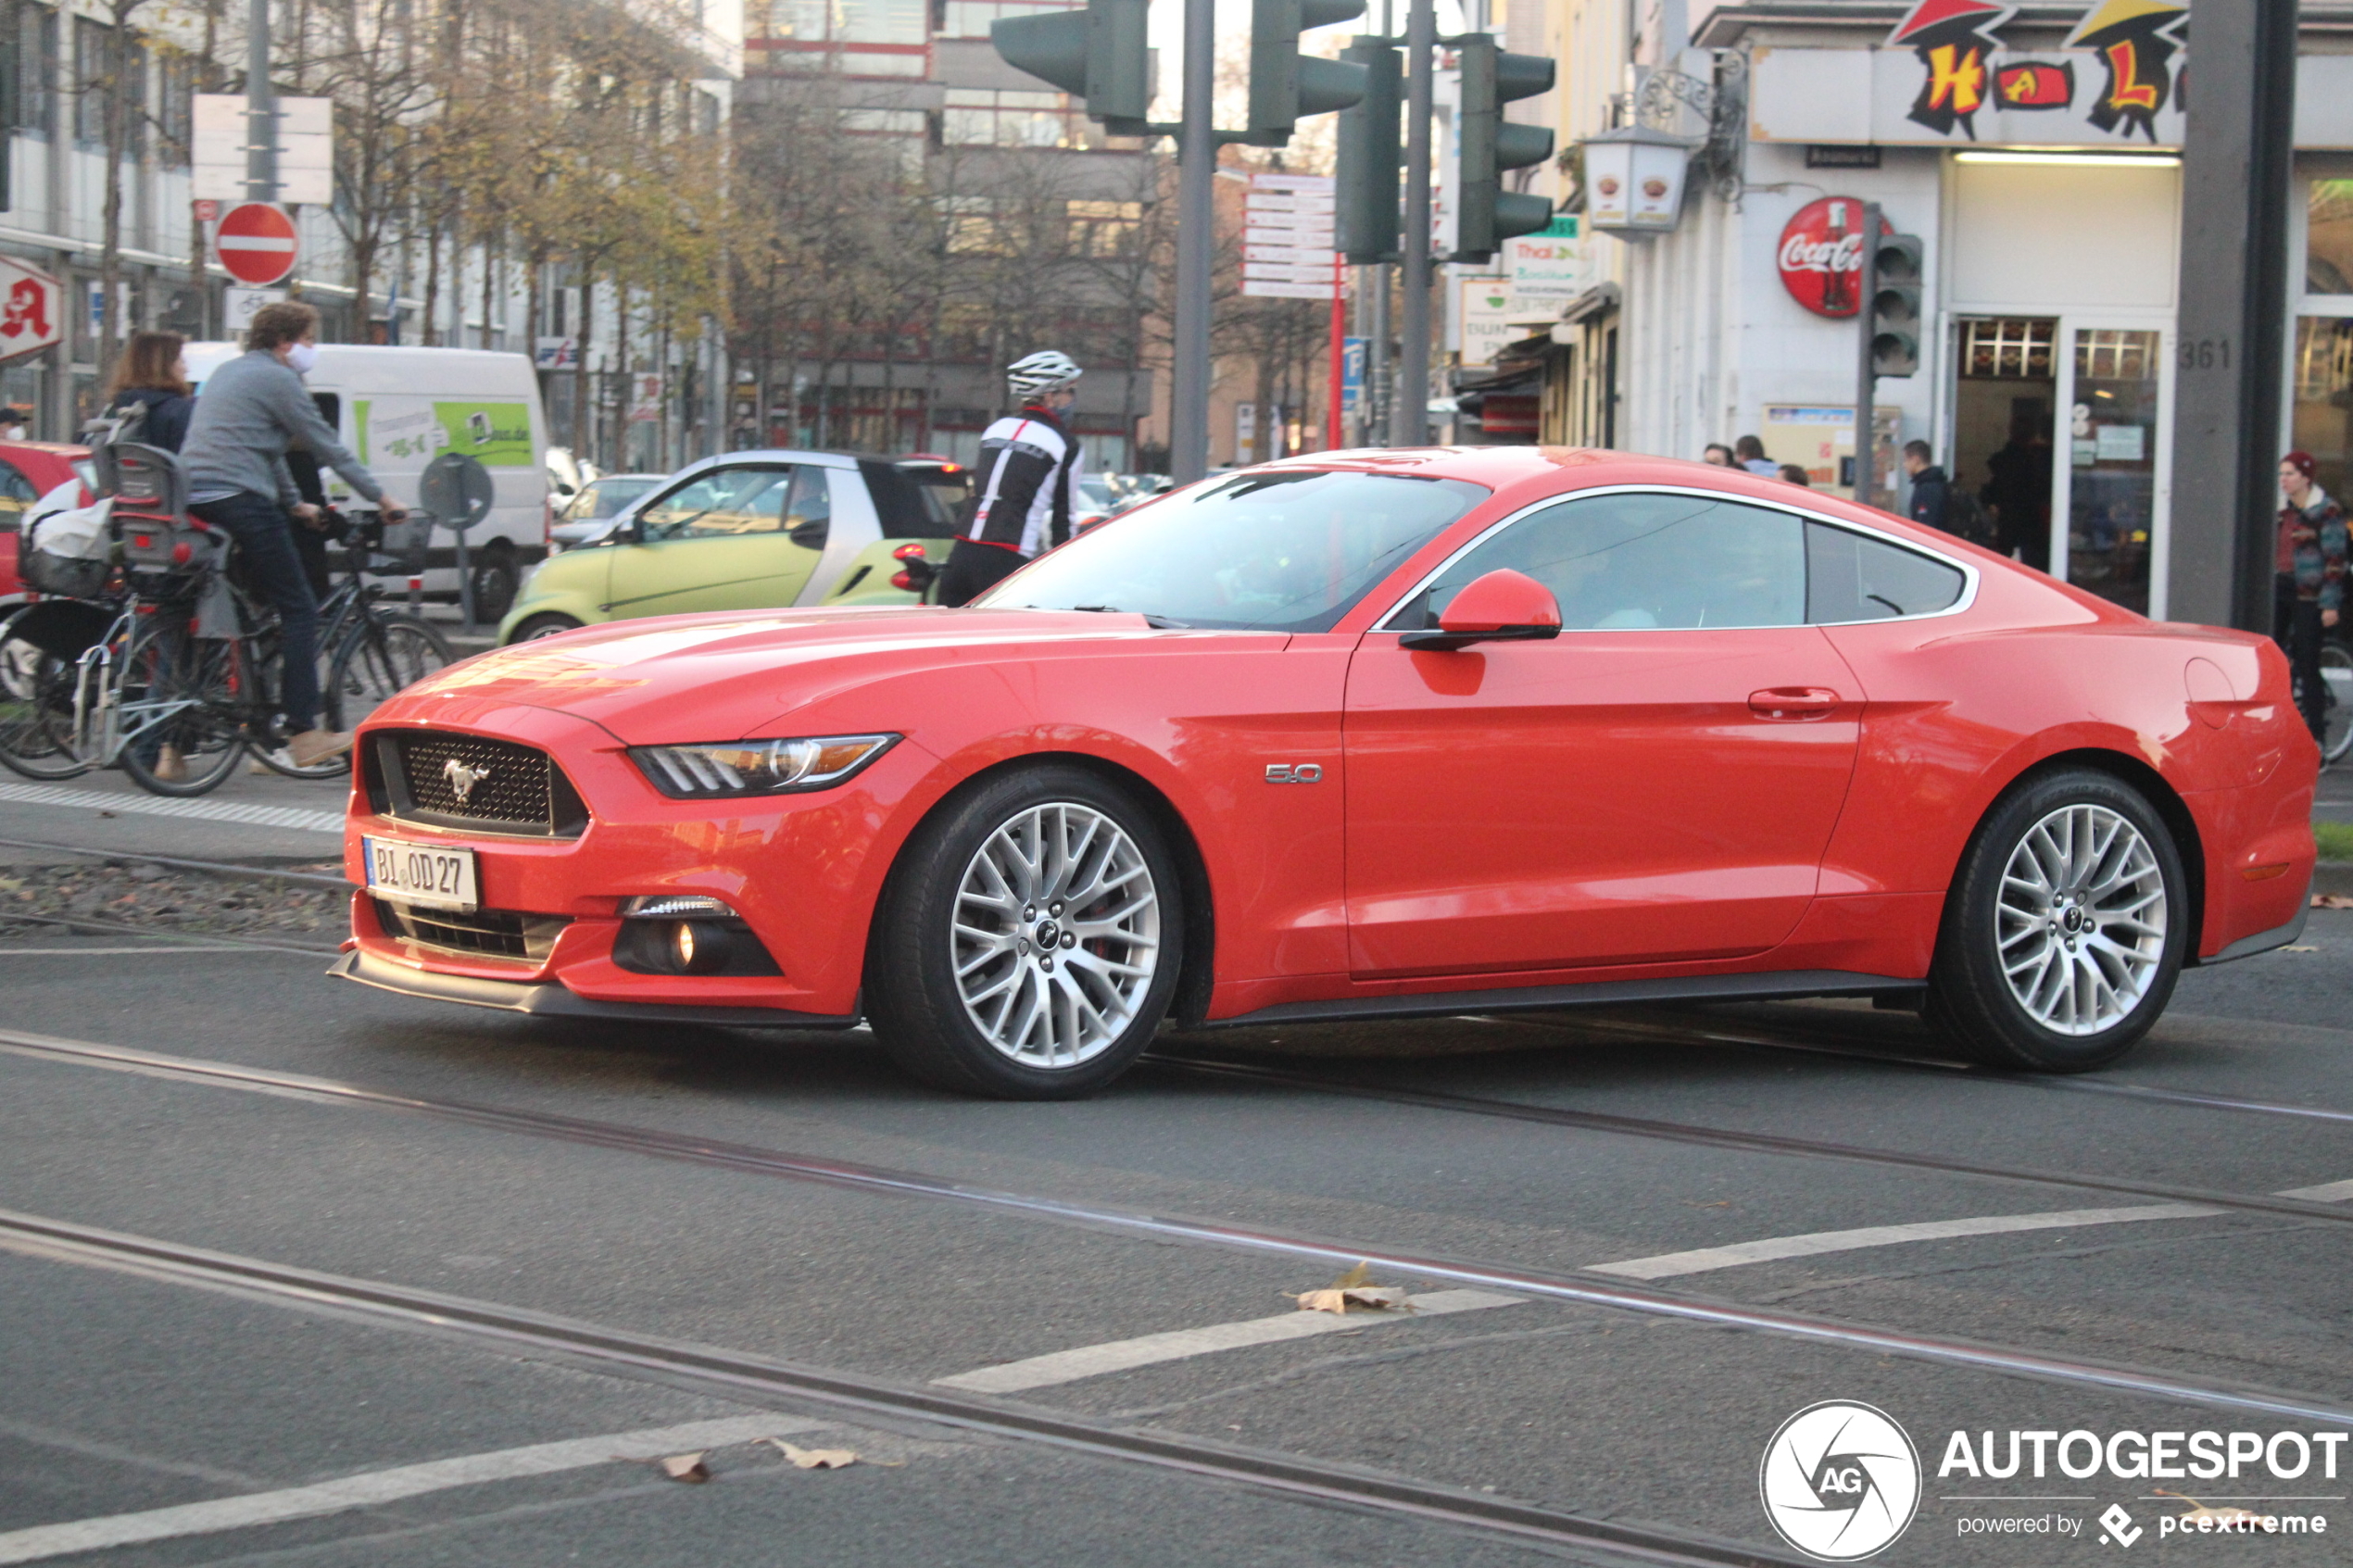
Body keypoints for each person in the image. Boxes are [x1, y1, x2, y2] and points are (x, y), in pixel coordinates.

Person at [180, 301, 408, 770]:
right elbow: (326, 445)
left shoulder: (230, 372)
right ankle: (304, 732)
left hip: (197, 496)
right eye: (307, 339)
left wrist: (294, 505)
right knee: (300, 608)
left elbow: (269, 450)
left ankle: (183, 742)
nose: (310, 348)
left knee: (246, 610)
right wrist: (383, 498)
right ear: (284, 342)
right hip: (240, 499)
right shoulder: (280, 379)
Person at [937, 351, 1085, 608]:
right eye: (1068, 392)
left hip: (961, 555)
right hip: (1009, 559)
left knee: (950, 643)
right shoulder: (1065, 444)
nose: (1072, 400)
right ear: (1050, 396)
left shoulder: (995, 430)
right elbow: (1064, 519)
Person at [2276, 450, 2348, 743]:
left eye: (2290, 474)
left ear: (2306, 478)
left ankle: (2316, 736)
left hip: (2309, 595)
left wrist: (2330, 603)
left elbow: (2335, 561)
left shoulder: (2325, 511)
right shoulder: (2283, 511)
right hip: (2281, 588)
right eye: (2281, 474)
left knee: (2307, 663)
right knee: (2276, 659)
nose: (2283, 480)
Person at [102, 332, 197, 452]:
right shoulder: (181, 411)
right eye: (181, 360)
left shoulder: (117, 408)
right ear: (163, 366)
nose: (186, 369)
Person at [1981, 415, 2053, 570]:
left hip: (2011, 520)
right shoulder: (2035, 459)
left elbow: (1992, 489)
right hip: (2028, 521)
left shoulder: (2005, 459)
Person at [1903, 440, 1950, 532]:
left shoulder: (1927, 490)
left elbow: (1925, 528)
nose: (1904, 465)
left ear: (1916, 460)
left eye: (1905, 460)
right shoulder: (1935, 483)